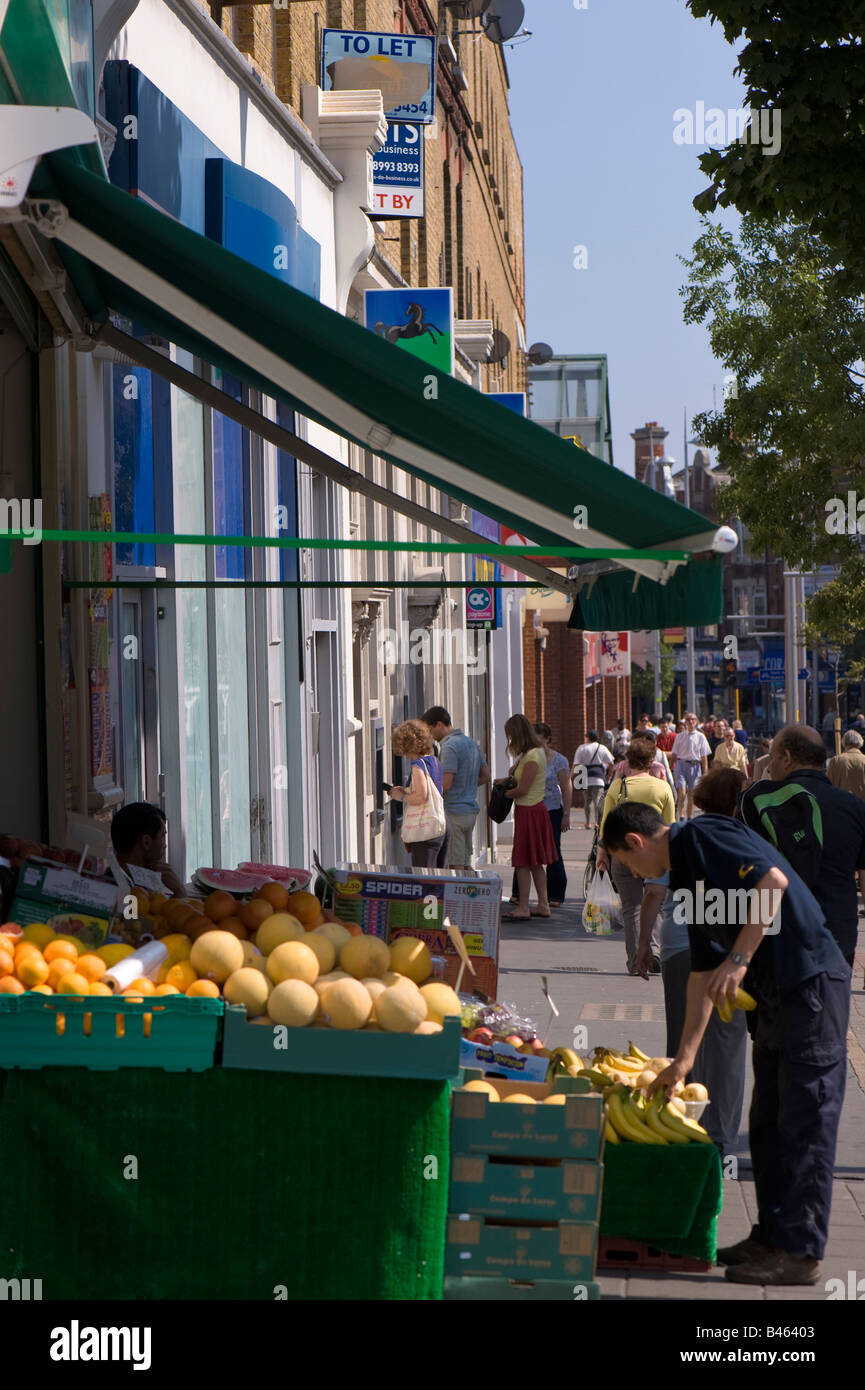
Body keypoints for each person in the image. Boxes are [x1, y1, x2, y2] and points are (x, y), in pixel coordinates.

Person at [602, 800, 850, 1286]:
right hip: (778, 997)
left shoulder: (702, 836)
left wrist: (738, 960)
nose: (636, 872)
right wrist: (685, 1058)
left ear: (636, 841)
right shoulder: (686, 878)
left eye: (630, 864)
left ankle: (800, 1252)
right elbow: (700, 975)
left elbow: (772, 884)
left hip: (810, 984)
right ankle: (771, 1236)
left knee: (805, 1120)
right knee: (767, 1123)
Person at [644, 765, 750, 1158]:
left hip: (678, 946)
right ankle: (719, 1137)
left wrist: (644, 943)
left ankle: (684, 1121)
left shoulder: (684, 835)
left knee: (686, 1038)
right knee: (727, 1046)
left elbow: (655, 889)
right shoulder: (747, 841)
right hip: (729, 955)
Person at [741, 724, 865, 967]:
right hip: (839, 931)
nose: (769, 766)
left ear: (786, 758)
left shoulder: (761, 804)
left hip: (783, 933)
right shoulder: (854, 807)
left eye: (774, 758)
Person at [596, 737, 676, 975]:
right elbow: (670, 824)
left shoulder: (617, 787)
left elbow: (606, 823)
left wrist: (602, 851)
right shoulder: (662, 787)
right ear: (652, 761)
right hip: (656, 855)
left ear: (628, 761)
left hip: (623, 853)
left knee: (631, 908)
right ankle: (655, 951)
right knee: (657, 902)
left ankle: (634, 961)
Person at [497, 715, 557, 921]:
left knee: (523, 861)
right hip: (534, 809)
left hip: (529, 810)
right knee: (535, 862)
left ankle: (523, 906)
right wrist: (507, 781)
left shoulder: (531, 756)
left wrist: (502, 794)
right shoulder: (534, 753)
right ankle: (543, 904)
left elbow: (522, 789)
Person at [421, 706, 490, 871]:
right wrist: (467, 786)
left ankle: (459, 896)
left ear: (439, 725)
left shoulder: (449, 747)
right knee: (466, 862)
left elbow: (446, 784)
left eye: (429, 730)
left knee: (455, 864)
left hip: (454, 812)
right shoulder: (471, 743)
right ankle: (472, 894)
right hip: (470, 811)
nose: (429, 736)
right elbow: (486, 776)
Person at [511, 723, 570, 907]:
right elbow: (514, 775)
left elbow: (566, 786)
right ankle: (518, 893)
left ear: (547, 739)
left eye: (539, 737)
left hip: (551, 808)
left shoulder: (559, 760)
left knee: (552, 850)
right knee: (526, 851)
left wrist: (566, 813)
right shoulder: (525, 755)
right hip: (530, 807)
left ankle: (555, 895)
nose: (535, 740)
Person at [387, 720, 449, 869]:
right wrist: (406, 789)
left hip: (425, 829)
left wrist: (399, 796)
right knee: (439, 879)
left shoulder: (418, 766)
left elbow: (422, 796)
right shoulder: (433, 761)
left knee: (425, 880)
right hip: (440, 825)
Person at [110, 802, 186, 898]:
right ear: (146, 842)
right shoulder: (131, 897)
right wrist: (179, 891)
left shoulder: (112, 880)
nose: (165, 845)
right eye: (162, 836)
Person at [670, 712, 710, 819]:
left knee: (691, 794)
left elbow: (704, 757)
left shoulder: (701, 736)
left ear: (696, 722)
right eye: (688, 719)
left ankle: (689, 816)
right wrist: (669, 768)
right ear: (685, 722)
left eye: (692, 719)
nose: (690, 722)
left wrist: (705, 772)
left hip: (695, 766)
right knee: (682, 792)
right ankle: (681, 815)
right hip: (681, 765)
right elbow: (674, 753)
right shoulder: (680, 736)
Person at [573, 730, 614, 829]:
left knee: (587, 801)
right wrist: (609, 775)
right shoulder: (602, 748)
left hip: (584, 777)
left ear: (588, 737)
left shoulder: (582, 748)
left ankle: (587, 822)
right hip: (598, 778)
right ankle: (597, 822)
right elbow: (611, 763)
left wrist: (573, 776)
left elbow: (576, 764)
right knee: (598, 801)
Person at [827, 730, 865, 802]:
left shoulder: (836, 761)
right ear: (860, 742)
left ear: (844, 742)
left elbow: (828, 786)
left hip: (841, 806)